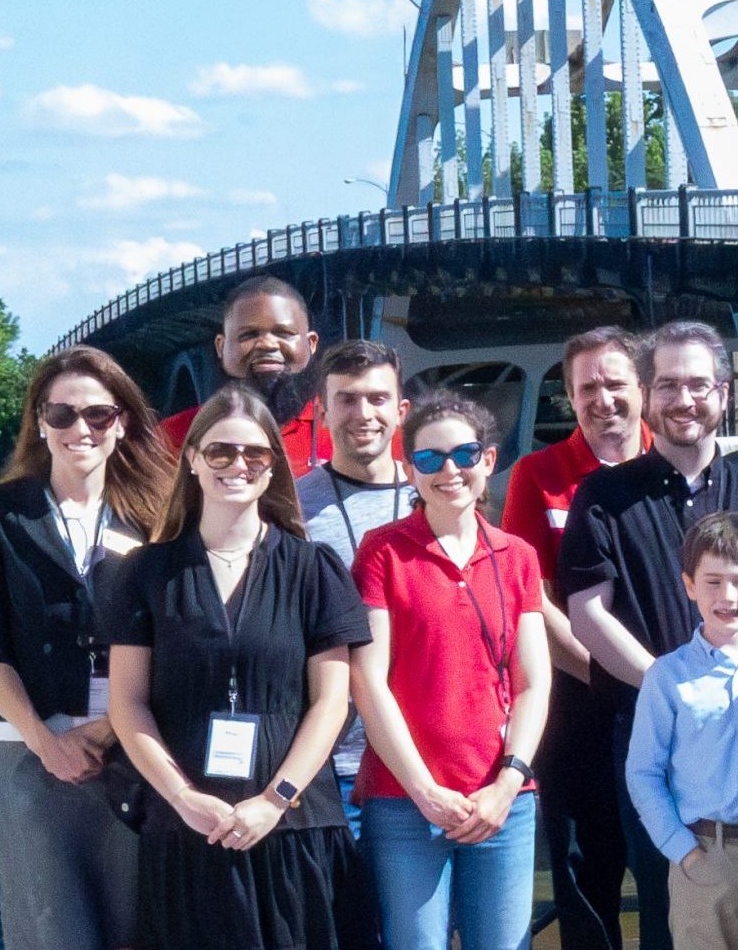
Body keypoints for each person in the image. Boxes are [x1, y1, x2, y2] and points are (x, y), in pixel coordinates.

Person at [561, 320, 738, 950]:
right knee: (668, 913)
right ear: (647, 394)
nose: (683, 399)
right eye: (667, 384)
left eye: (699, 385)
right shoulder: (603, 494)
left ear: (724, 395)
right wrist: (670, 685)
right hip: (650, 734)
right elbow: (588, 611)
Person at [103, 385, 374, 950]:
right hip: (187, 829)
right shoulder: (148, 572)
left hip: (293, 826)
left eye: (256, 454)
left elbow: (333, 701)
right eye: (221, 451)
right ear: (194, 460)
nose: (239, 465)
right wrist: (182, 799)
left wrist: (274, 800)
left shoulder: (313, 569)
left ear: (273, 468)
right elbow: (127, 703)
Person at [0, 346, 171, 950]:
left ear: (121, 424)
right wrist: (48, 741)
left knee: (137, 927)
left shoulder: (154, 517)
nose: (81, 429)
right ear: (40, 422)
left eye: (98, 415)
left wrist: (107, 732)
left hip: (136, 754)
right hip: (31, 755)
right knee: (51, 931)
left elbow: (177, 638)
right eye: (63, 414)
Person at [350, 393, 551, 950]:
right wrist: (424, 791)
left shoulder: (517, 557)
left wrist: (508, 785)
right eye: (429, 459)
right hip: (404, 803)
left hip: (502, 802)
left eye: (463, 454)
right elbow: (367, 680)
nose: (449, 471)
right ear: (410, 467)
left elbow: (534, 682)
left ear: (488, 461)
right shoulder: (381, 553)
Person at [497, 326, 648, 950]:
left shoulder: (671, 465)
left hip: (667, 707)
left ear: (642, 387)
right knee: (586, 879)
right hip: (579, 707)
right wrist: (608, 671)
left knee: (678, 873)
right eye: (587, 387)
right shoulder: (539, 475)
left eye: (616, 383)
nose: (602, 399)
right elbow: (530, 596)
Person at [624, 512, 738, 950]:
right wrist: (682, 850)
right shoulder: (667, 676)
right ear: (689, 585)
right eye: (712, 582)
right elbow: (643, 772)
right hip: (705, 851)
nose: (728, 595)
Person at [297, 339, 418, 837]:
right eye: (346, 399)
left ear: (401, 410)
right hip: (329, 768)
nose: (362, 413)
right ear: (322, 412)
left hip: (418, 765)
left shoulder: (433, 497)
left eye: (377, 398)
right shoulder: (290, 510)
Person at [160, 277, 330, 476]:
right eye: (249, 335)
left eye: (284, 333)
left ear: (311, 344)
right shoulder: (171, 438)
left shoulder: (343, 428)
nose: (267, 344)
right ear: (221, 346)